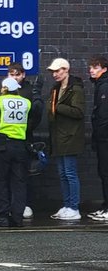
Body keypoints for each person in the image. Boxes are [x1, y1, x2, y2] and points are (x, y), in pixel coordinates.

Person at [0, 76, 38, 227]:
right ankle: (17, 217)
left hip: (2, 147)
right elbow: (37, 111)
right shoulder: (26, 102)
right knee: (19, 183)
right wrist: (37, 92)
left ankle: (2, 216)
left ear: (4, 89)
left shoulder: (0, 101)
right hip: (20, 146)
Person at [46, 57, 85, 221]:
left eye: (57, 71)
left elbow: (79, 112)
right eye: (53, 71)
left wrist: (58, 107)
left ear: (66, 70)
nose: (55, 74)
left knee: (70, 173)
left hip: (70, 136)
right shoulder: (55, 89)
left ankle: (74, 208)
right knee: (63, 174)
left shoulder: (75, 89)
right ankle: (67, 205)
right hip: (58, 136)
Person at [88, 55, 108, 223]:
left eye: (95, 67)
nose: (91, 70)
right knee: (103, 172)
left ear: (104, 69)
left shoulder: (104, 86)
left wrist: (99, 136)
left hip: (105, 138)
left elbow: (103, 116)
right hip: (102, 138)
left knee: (106, 172)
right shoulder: (100, 85)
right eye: (91, 67)